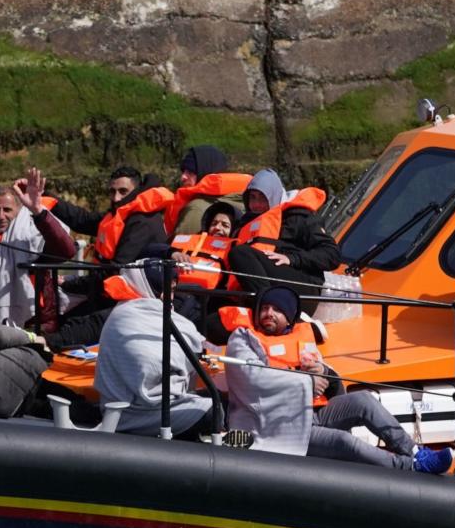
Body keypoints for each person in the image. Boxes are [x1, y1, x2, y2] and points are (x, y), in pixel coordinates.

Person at [225, 286, 453, 473]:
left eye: (276, 309)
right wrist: (306, 382)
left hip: (313, 412)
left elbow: (330, 380)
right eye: (264, 308)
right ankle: (409, 466)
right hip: (278, 424)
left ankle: (414, 451)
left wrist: (323, 371)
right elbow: (252, 377)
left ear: (289, 317)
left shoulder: (301, 337)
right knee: (345, 442)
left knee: (363, 400)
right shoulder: (244, 339)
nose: (268, 313)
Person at [93, 261, 213, 439]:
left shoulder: (145, 313)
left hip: (155, 403)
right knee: (215, 410)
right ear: (150, 286)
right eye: (167, 289)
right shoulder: (126, 316)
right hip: (134, 411)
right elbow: (150, 364)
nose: (171, 297)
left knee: (216, 398)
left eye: (173, 289)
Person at [0, 169, 75, 328]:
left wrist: (38, 212)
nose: (0, 216)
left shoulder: (33, 233)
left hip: (35, 318)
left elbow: (66, 251)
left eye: (7, 210)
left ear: (19, 211)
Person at [225, 169, 339, 315]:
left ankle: (265, 311)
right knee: (212, 320)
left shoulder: (298, 217)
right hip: (264, 286)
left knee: (240, 253)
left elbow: (332, 254)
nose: (256, 204)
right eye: (252, 198)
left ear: (274, 196)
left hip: (302, 291)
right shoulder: (245, 223)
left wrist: (292, 259)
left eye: (262, 198)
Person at [164, 145, 252, 234]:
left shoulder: (195, 209)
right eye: (183, 171)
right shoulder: (248, 201)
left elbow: (178, 246)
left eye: (190, 172)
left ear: (205, 172)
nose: (183, 177)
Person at [170, 200, 241, 289]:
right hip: (172, 289)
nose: (217, 228)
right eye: (214, 223)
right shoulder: (190, 240)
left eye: (225, 225)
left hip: (211, 297)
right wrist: (173, 253)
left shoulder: (237, 252)